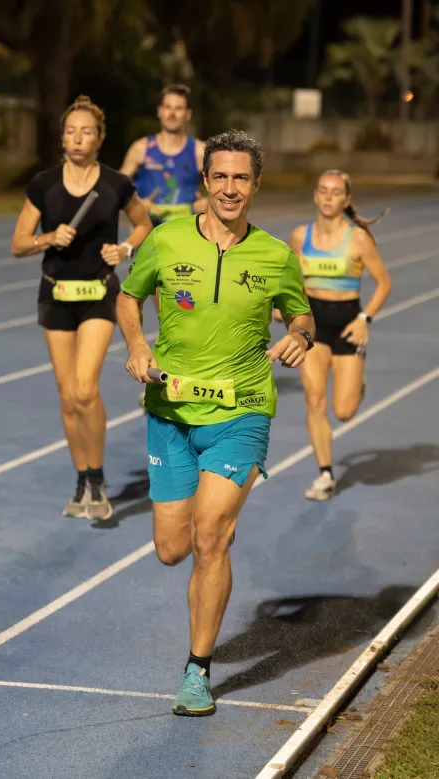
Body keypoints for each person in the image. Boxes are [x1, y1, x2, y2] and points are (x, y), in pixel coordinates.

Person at [117, 129, 315, 716]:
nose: (230, 188)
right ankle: (212, 527)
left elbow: (300, 313)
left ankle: (197, 671)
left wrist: (300, 337)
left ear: (257, 184)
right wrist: (135, 344)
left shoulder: (275, 254)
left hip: (242, 410)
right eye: (220, 176)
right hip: (171, 411)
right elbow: (129, 297)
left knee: (211, 536)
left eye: (241, 178)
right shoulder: (166, 238)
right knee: (172, 548)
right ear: (205, 181)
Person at [11, 95, 152, 520]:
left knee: (86, 388)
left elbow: (143, 223)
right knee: (67, 395)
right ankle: (82, 480)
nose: (77, 138)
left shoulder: (114, 184)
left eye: (86, 131)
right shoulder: (44, 184)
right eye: (70, 130)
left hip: (98, 293)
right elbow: (18, 242)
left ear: (100, 137)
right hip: (55, 294)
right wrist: (47, 238)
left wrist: (125, 247)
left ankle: (96, 475)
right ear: (62, 137)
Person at [290, 169, 391, 501]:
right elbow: (290, 284)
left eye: (336, 192)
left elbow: (384, 284)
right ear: (315, 195)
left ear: (346, 199)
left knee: (344, 411)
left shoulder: (359, 239)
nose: (329, 197)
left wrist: (364, 319)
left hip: (348, 325)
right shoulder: (299, 236)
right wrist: (285, 308)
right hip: (313, 327)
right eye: (323, 190)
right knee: (314, 399)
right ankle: (325, 474)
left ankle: (356, 386)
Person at [119, 84, 207, 313]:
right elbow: (116, 189)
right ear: (159, 111)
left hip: (186, 240)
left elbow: (220, 193)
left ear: (187, 114)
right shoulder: (141, 149)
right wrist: (136, 203)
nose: (172, 113)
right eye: (167, 107)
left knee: (181, 309)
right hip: (150, 239)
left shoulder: (199, 151)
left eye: (178, 108)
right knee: (149, 305)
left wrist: (200, 204)